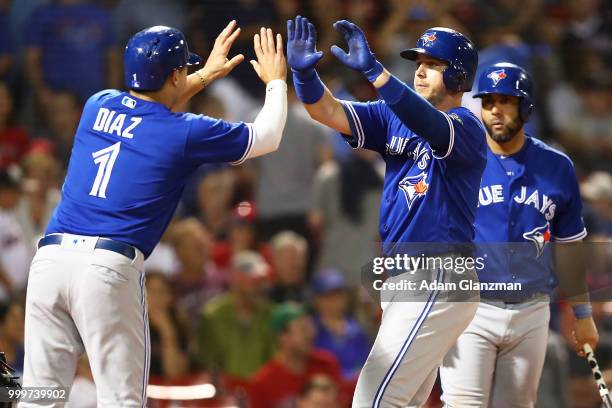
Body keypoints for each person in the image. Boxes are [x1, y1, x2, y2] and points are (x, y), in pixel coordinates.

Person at [21, 22, 288, 406]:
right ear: (176, 74)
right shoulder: (184, 131)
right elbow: (267, 136)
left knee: (38, 396)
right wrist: (276, 81)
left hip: (50, 261)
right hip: (106, 267)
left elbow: (150, 104)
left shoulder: (98, 103)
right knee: (122, 400)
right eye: (183, 70)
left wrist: (203, 75)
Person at [286, 16, 485, 406]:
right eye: (418, 64)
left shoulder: (467, 127)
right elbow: (326, 111)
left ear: (458, 76)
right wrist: (304, 76)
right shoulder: (392, 114)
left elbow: (429, 123)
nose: (421, 71)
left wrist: (378, 74)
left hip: (439, 272)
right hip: (405, 279)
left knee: (373, 400)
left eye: (433, 65)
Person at [439, 63, 599, 407]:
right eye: (488, 102)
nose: (495, 110)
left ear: (525, 107)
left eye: (505, 101)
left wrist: (583, 317)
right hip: (471, 308)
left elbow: (570, 248)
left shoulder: (557, 166)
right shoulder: (460, 159)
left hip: (532, 310)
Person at [248, 302, 342, 408]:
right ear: (283, 337)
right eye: (303, 329)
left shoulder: (327, 364)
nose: (311, 334)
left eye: (311, 328)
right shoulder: (262, 383)